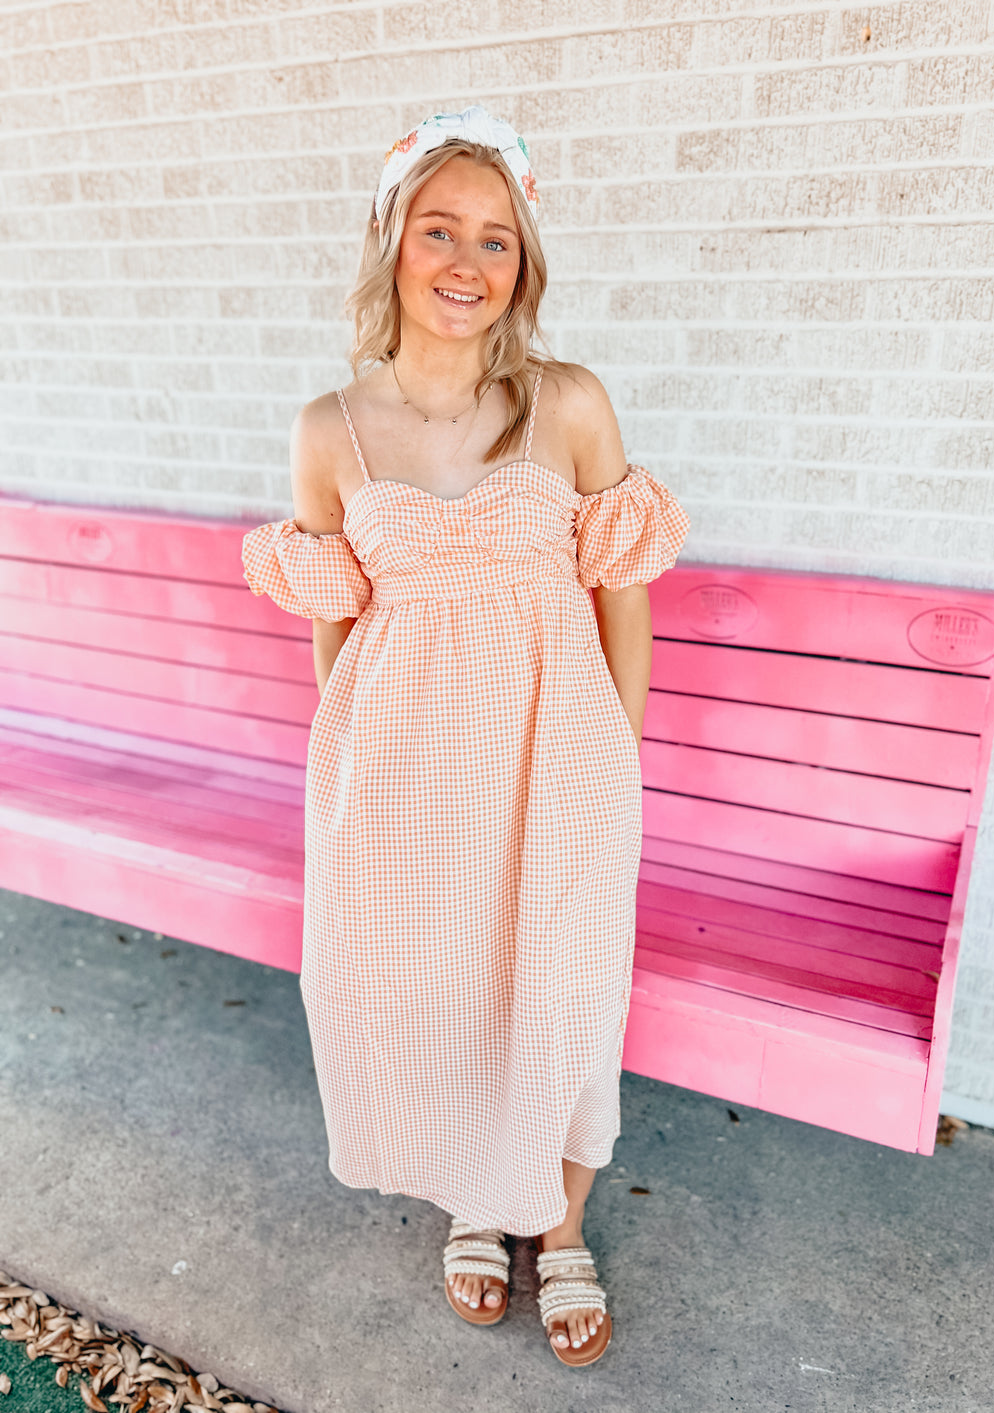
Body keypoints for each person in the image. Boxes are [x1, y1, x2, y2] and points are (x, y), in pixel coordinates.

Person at [242, 106, 690, 1367]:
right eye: (439, 228)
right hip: (403, 770)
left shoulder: (567, 403)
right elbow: (338, 624)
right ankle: (474, 1203)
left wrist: (613, 760)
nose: (466, 261)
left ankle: (561, 1222)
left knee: (562, 990)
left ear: (521, 263)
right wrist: (354, 775)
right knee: (438, 990)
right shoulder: (329, 429)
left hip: (558, 758)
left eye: (497, 239)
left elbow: (622, 599)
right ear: (391, 241)